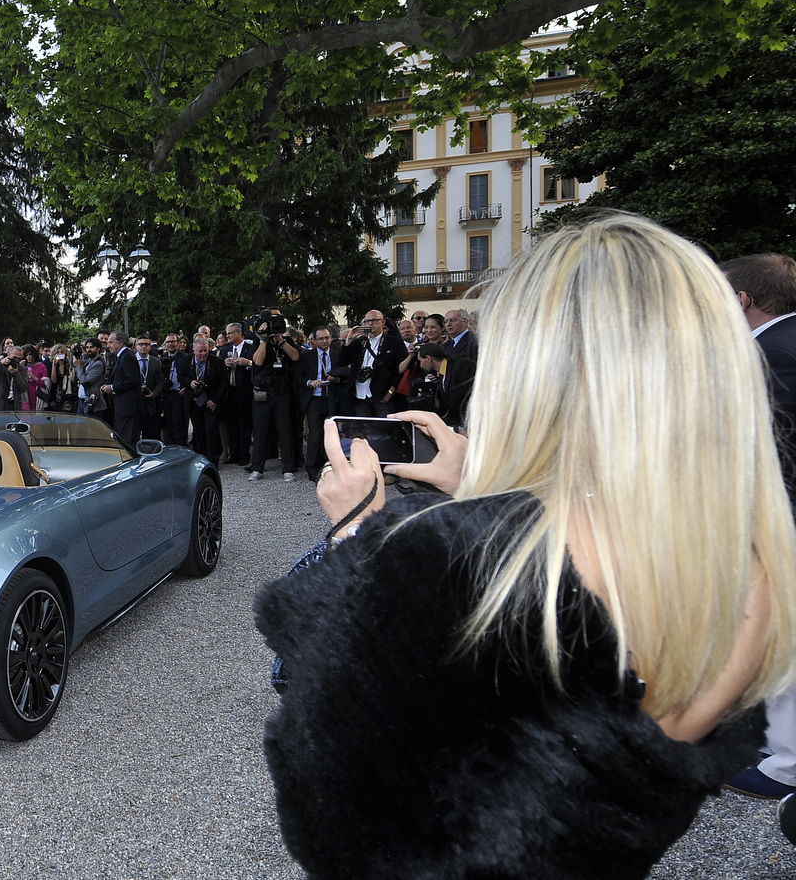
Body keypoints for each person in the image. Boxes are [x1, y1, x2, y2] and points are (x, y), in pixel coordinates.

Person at [255, 213, 796, 878]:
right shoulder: (753, 570)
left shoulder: (447, 558)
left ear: (532, 371)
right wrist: (483, 487)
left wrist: (356, 531)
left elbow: (329, 805)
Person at [722, 253, 796, 804]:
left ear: (743, 299)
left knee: (783, 633)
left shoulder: (771, 354)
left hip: (782, 520)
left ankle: (786, 764)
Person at [246, 317, 301, 481]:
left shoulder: (286, 340)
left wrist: (282, 342)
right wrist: (263, 340)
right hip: (263, 393)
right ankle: (257, 468)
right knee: (261, 430)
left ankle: (288, 468)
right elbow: (258, 361)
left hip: (282, 392)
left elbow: (296, 356)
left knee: (285, 430)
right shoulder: (258, 340)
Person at [338, 309, 406, 417]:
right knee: (364, 430)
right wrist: (349, 339)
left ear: (382, 322)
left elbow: (401, 369)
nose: (370, 324)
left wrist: (392, 390)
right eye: (366, 321)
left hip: (382, 394)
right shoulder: (359, 342)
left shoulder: (394, 342)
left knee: (385, 428)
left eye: (374, 320)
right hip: (360, 393)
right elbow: (341, 362)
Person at [300, 326, 342, 482]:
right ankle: (312, 468)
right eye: (321, 339)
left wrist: (335, 377)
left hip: (332, 398)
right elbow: (298, 376)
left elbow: (345, 373)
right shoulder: (307, 356)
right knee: (315, 435)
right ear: (314, 341)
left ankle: (332, 466)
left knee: (333, 435)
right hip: (315, 399)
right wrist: (310, 382)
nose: (325, 341)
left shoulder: (337, 355)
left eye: (327, 338)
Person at [219, 323, 257, 463]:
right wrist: (223, 364)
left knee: (244, 425)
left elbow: (258, 365)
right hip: (229, 392)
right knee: (231, 425)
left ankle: (244, 454)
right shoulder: (225, 350)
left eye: (230, 333)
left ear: (239, 333)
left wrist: (249, 363)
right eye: (227, 333)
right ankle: (233, 453)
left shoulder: (251, 348)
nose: (227, 336)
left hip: (245, 392)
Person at [186, 336, 227, 460]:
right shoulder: (187, 361)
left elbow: (224, 383)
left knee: (211, 431)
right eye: (200, 351)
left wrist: (215, 400)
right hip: (194, 402)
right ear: (194, 351)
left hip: (210, 401)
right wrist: (190, 383)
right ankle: (200, 457)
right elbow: (181, 376)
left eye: (205, 351)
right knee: (198, 431)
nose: (203, 354)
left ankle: (213, 459)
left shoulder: (217, 362)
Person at [102, 331, 142, 446]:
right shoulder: (121, 357)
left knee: (127, 440)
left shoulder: (126, 356)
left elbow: (132, 380)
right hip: (123, 406)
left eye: (111, 342)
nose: (108, 345)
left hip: (128, 407)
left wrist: (113, 387)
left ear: (121, 343)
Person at [161, 334, 194, 445]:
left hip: (179, 394)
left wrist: (186, 387)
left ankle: (180, 447)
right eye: (168, 342)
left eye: (173, 341)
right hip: (166, 394)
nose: (170, 344)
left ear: (178, 343)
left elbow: (191, 374)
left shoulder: (186, 357)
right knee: (168, 422)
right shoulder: (163, 357)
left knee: (178, 423)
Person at [132, 336, 165, 440]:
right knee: (134, 434)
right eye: (141, 344)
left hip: (150, 403)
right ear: (136, 346)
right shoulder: (131, 361)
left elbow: (159, 382)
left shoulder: (156, 361)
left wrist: (154, 393)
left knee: (151, 433)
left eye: (146, 344)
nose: (144, 347)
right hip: (135, 403)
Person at [0, 346, 30, 412]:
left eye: (19, 359)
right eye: (14, 358)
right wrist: (0, 363)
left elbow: (24, 388)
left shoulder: (22, 368)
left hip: (13, 404)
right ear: (8, 354)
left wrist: (16, 374)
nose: (16, 360)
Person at [75, 339, 106, 418]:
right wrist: (74, 351)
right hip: (82, 402)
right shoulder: (88, 362)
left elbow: (85, 381)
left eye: (92, 347)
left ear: (98, 349)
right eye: (87, 347)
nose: (89, 350)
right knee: (79, 430)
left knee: (91, 429)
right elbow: (74, 363)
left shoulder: (98, 364)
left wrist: (78, 367)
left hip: (93, 405)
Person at [46, 343, 77, 412]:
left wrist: (66, 363)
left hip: (70, 394)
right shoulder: (54, 366)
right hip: (59, 395)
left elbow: (72, 378)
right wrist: (54, 365)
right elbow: (54, 380)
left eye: (62, 352)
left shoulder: (69, 364)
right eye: (57, 352)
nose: (60, 354)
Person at [21, 344, 50, 411]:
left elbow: (46, 385)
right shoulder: (25, 367)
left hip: (38, 397)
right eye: (27, 355)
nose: (29, 357)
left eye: (30, 355)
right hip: (27, 397)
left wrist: (34, 378)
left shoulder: (42, 366)